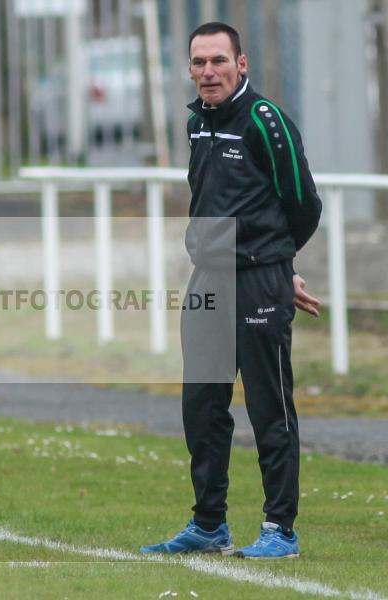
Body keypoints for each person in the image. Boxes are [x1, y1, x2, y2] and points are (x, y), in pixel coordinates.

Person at [140, 22, 322, 559]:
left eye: (218, 61)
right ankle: (208, 525)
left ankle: (280, 531)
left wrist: (277, 264)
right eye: (198, 63)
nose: (207, 72)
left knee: (270, 408)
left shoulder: (266, 122)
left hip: (259, 280)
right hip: (207, 281)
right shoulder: (198, 121)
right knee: (202, 405)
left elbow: (304, 204)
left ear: (241, 65)